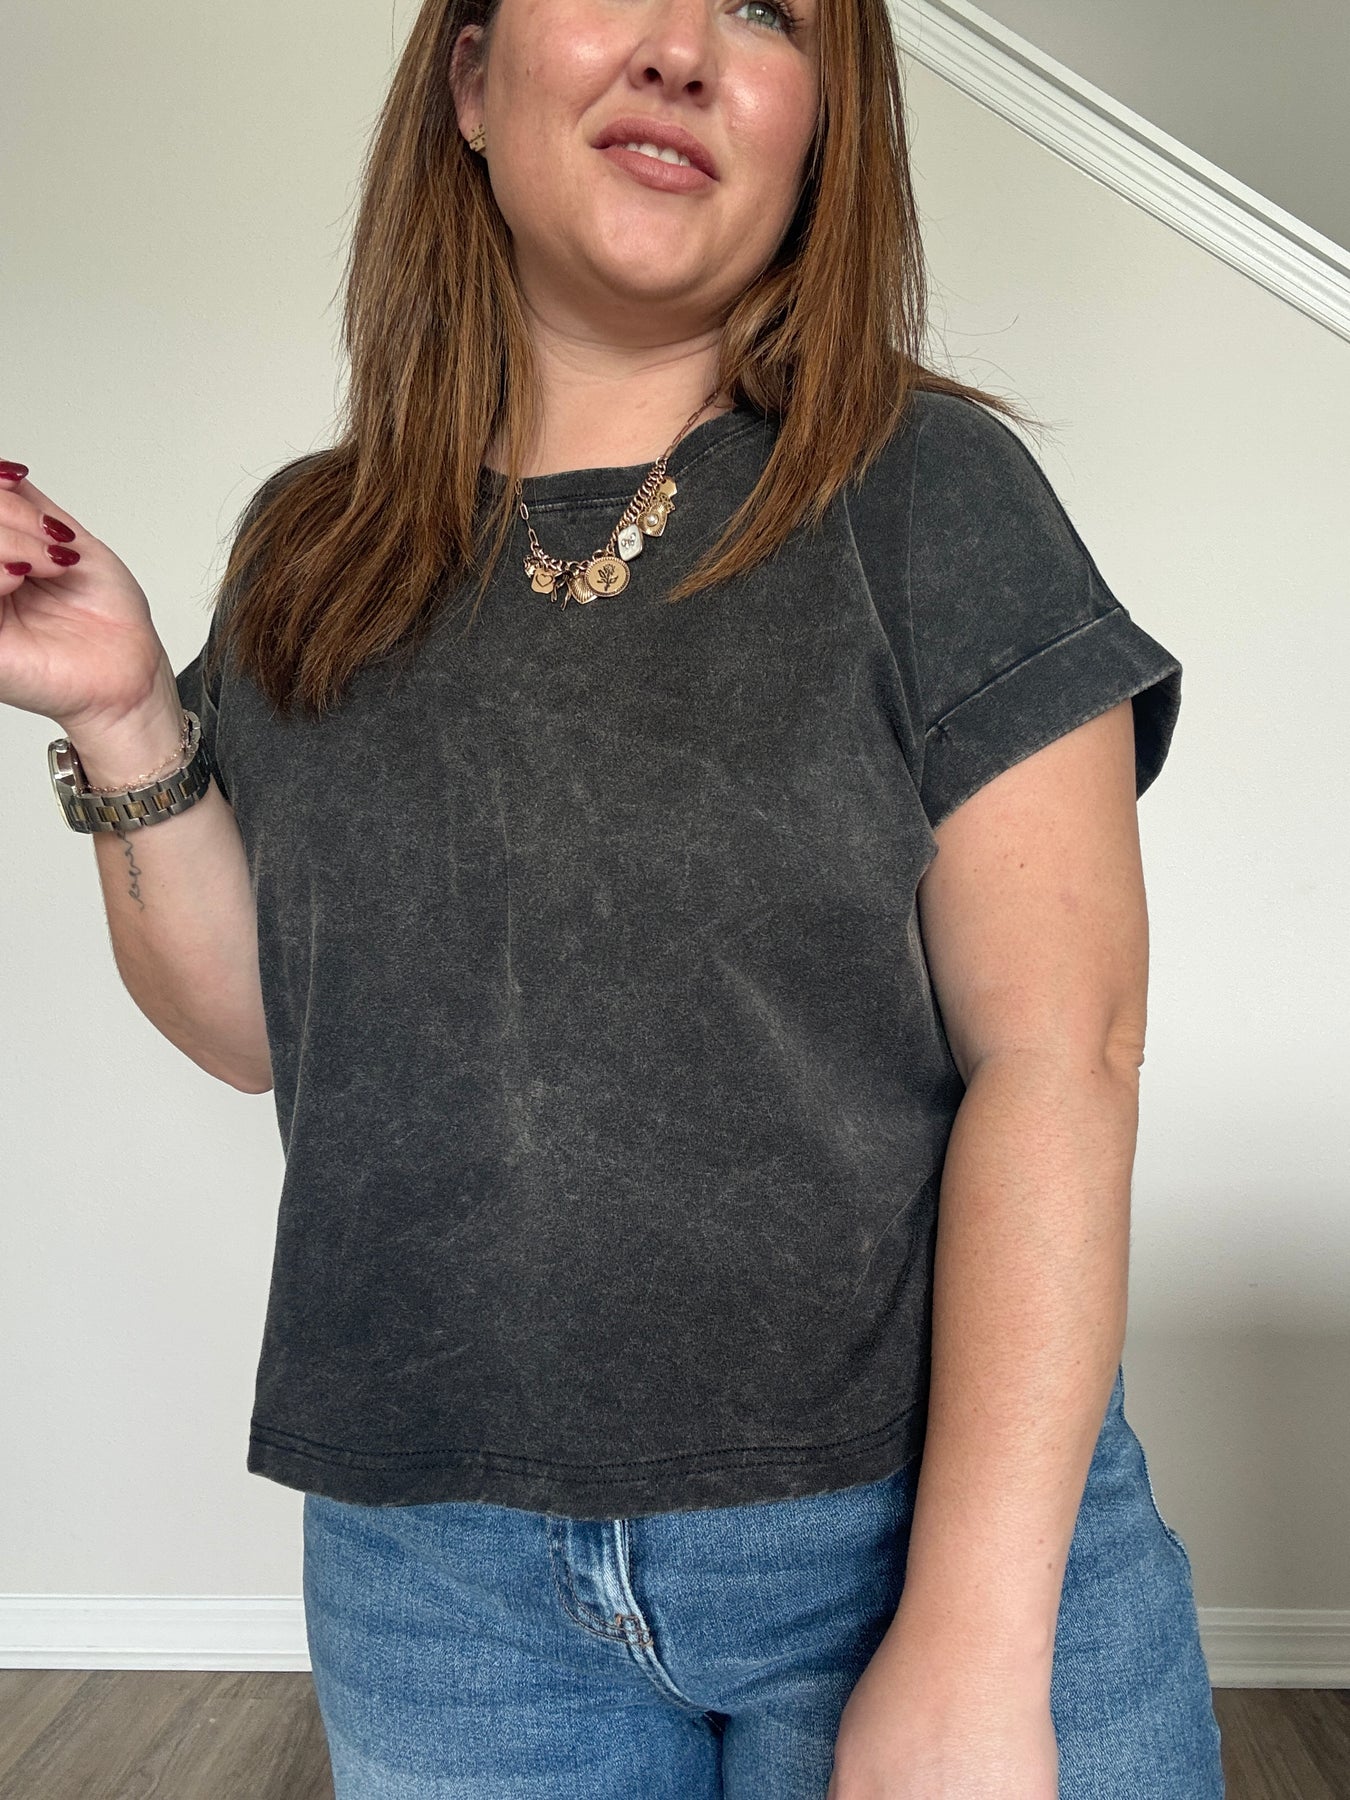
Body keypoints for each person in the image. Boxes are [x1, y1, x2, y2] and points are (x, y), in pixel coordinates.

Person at [3, 0, 1228, 1791]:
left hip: (903, 1527)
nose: (679, 50)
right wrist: (123, 709)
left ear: (820, 130)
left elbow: (1064, 1056)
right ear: (469, 76)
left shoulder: (928, 493)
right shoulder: (312, 547)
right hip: (437, 1574)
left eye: (763, 10)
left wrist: (972, 1637)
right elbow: (263, 1030)